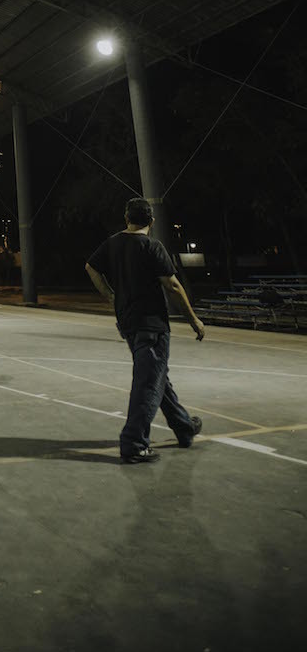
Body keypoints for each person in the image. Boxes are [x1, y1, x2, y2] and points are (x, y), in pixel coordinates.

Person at [85, 197, 205, 464]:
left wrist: (109, 295)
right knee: (148, 382)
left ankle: (183, 427)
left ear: (127, 219)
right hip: (151, 324)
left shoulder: (113, 243)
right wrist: (194, 319)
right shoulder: (152, 246)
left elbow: (91, 267)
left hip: (128, 323)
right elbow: (172, 286)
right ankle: (134, 443)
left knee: (156, 376)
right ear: (151, 221)